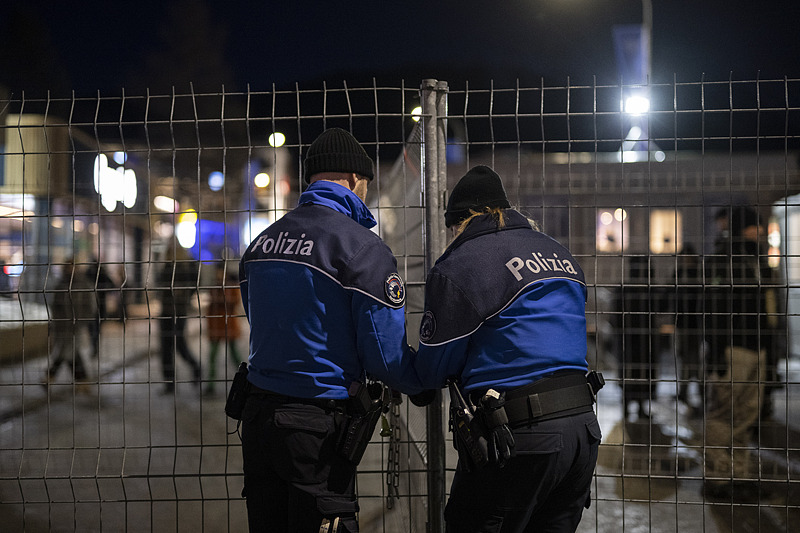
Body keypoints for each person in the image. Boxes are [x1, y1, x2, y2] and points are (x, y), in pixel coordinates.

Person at [237, 127, 424, 532]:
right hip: (316, 429)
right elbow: (384, 353)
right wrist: (420, 380)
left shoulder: (262, 244)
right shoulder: (361, 248)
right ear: (355, 179)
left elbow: (257, 316)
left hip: (256, 419)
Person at [412, 166, 603, 533]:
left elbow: (432, 370)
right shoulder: (560, 255)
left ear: (461, 222)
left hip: (517, 437)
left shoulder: (462, 264)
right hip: (582, 429)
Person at [703, 205, 779, 500]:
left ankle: (739, 475)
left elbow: (768, 309)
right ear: (742, 229)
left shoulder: (758, 259)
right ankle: (719, 478)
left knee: (747, 415)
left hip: (756, 348)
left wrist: (770, 354)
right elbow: (711, 309)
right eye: (754, 226)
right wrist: (718, 351)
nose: (759, 231)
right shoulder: (723, 260)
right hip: (733, 349)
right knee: (725, 414)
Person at [44, 258, 96, 393]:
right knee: (69, 352)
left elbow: (90, 306)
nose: (69, 269)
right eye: (67, 267)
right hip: (62, 326)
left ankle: (50, 376)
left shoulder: (84, 285)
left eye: (72, 266)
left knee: (67, 351)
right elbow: (54, 306)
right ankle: (82, 381)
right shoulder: (60, 285)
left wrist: (81, 321)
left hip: (76, 326)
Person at [157, 243, 202, 394]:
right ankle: (169, 383)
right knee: (165, 348)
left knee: (179, 344)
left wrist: (184, 296)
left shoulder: (185, 267)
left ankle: (196, 367)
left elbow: (194, 286)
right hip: (166, 310)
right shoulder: (167, 266)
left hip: (179, 310)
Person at [619, 255, 658, 420]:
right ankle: (632, 407)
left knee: (637, 372)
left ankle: (635, 407)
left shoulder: (627, 289)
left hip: (633, 339)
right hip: (635, 339)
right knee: (637, 372)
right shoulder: (642, 289)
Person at [671, 243, 704, 414]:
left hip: (696, 325)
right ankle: (686, 391)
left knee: (695, 359)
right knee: (685, 358)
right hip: (683, 324)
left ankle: (696, 391)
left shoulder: (696, 275)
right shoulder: (679, 274)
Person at [204, 266, 243, 394]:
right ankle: (211, 384)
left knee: (234, 355)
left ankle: (245, 379)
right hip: (217, 324)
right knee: (213, 356)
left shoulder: (231, 287)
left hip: (228, 324)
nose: (218, 275)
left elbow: (234, 302)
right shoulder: (215, 287)